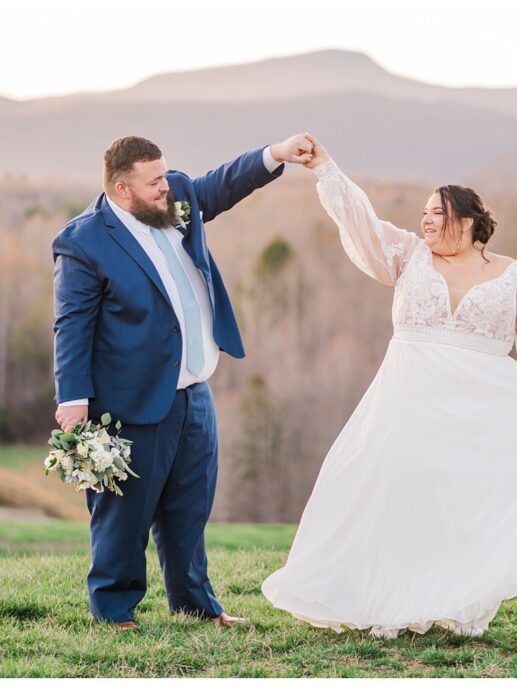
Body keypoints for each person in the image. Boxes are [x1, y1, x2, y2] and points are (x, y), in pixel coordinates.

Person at [261, 135, 517, 639]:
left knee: (460, 508)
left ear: (468, 221)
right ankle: (386, 603)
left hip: (479, 412)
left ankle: (453, 600)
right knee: (395, 496)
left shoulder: (514, 276)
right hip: (408, 400)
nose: (425, 220)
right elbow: (361, 225)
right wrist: (327, 170)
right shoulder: (409, 255)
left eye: (436, 212)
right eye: (424, 212)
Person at [52, 134, 313, 630]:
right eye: (154, 182)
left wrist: (276, 154)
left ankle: (195, 603)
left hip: (194, 389)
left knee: (190, 506)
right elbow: (71, 324)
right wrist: (73, 399)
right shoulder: (83, 241)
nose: (166, 188)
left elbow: (222, 184)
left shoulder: (176, 197)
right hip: (131, 399)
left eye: (166, 176)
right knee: (123, 512)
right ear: (122, 189)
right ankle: (114, 608)